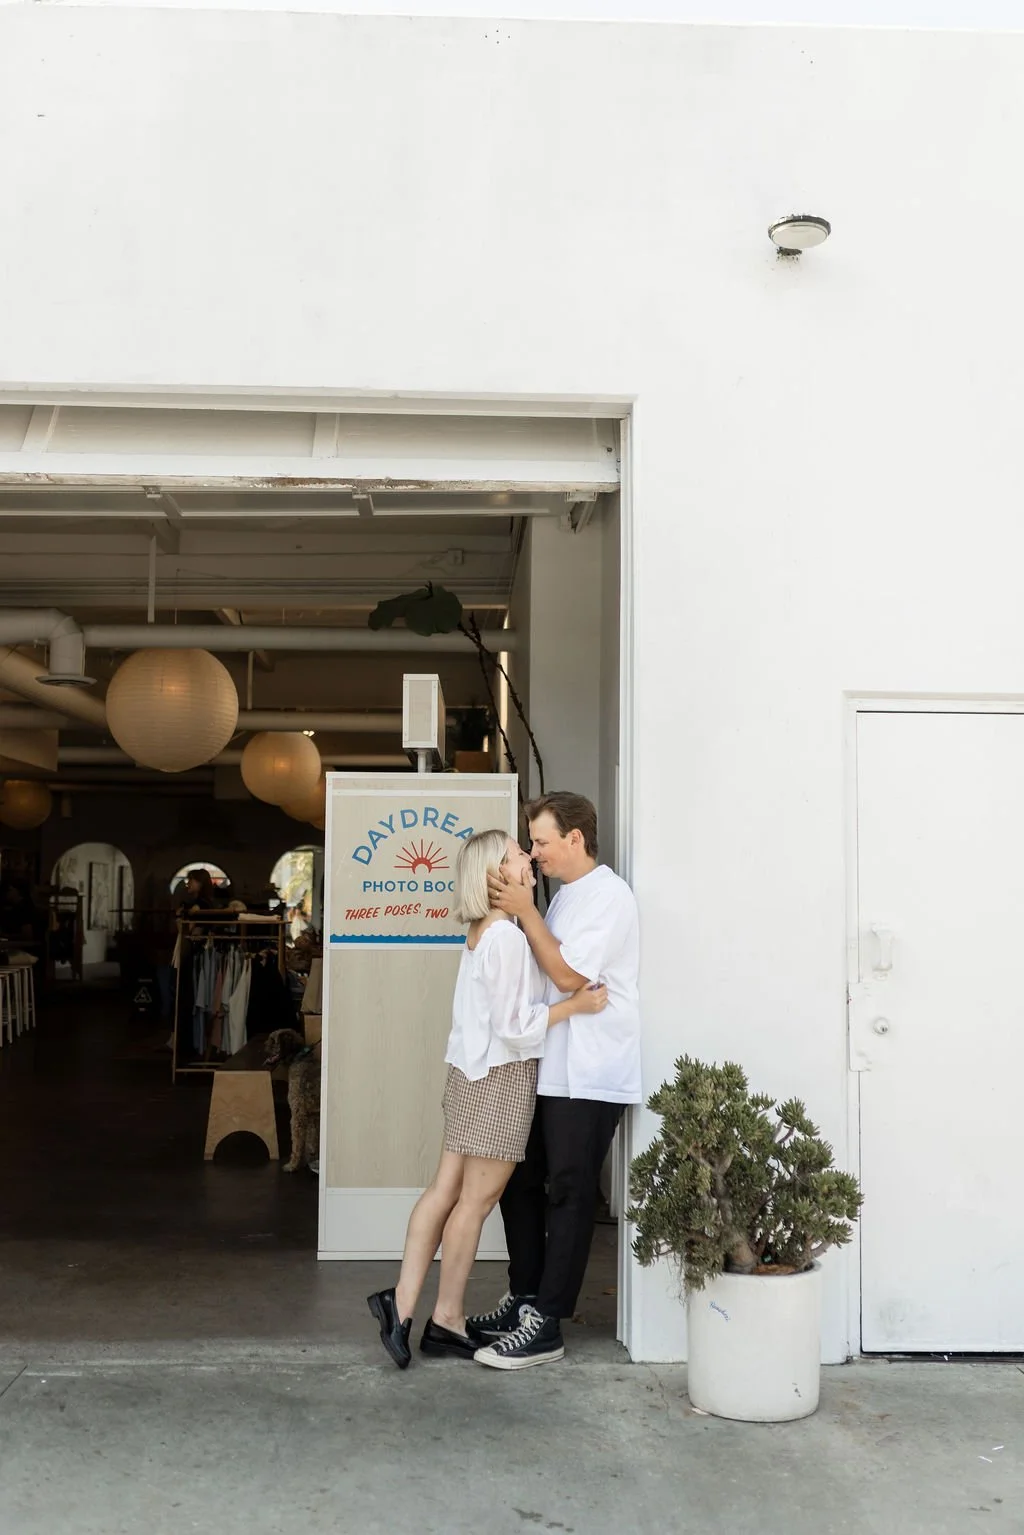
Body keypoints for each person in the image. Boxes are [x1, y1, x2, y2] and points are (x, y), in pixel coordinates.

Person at [366, 827, 608, 1371]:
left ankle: (402, 1307)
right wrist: (575, 1006)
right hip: (497, 1081)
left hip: (470, 1075)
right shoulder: (505, 937)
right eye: (517, 854)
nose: (527, 858)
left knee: (445, 1191)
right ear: (496, 875)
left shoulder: (484, 931)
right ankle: (444, 1317)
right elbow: (515, 1027)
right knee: (472, 1203)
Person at [469, 791, 641, 1371]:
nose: (534, 852)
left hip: (591, 1072)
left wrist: (526, 911)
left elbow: (569, 976)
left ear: (575, 838)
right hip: (549, 1066)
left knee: (568, 1191)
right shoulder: (564, 899)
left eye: (541, 841)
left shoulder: (609, 897)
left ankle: (548, 1324)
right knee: (519, 1181)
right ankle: (524, 1300)